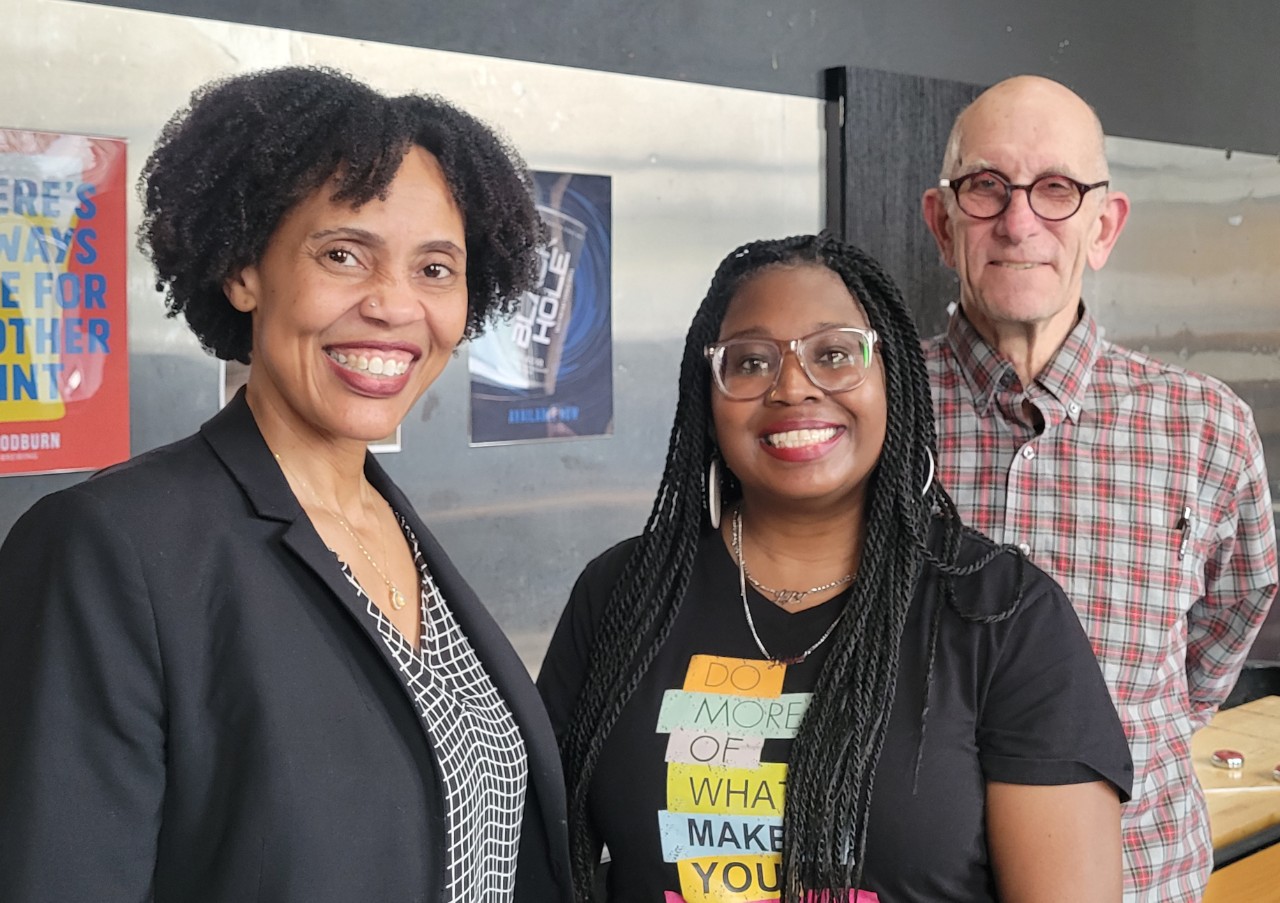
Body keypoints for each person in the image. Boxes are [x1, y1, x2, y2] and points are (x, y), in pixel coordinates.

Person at [0, 67, 571, 902]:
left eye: (436, 269)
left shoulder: (394, 524)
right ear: (244, 270)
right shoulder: (108, 549)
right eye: (343, 254)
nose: (394, 305)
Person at [538, 233, 1134, 903]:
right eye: (751, 361)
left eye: (833, 354)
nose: (792, 386)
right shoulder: (621, 595)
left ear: (894, 380)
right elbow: (545, 861)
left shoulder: (1002, 614)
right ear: (708, 395)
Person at [921, 74, 1279, 901]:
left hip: (1139, 878)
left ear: (1103, 225)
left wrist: (1133, 729)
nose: (1020, 222)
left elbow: (1224, 628)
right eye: (987, 187)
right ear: (942, 223)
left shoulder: (1204, 428)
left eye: (1056, 190)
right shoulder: (871, 414)